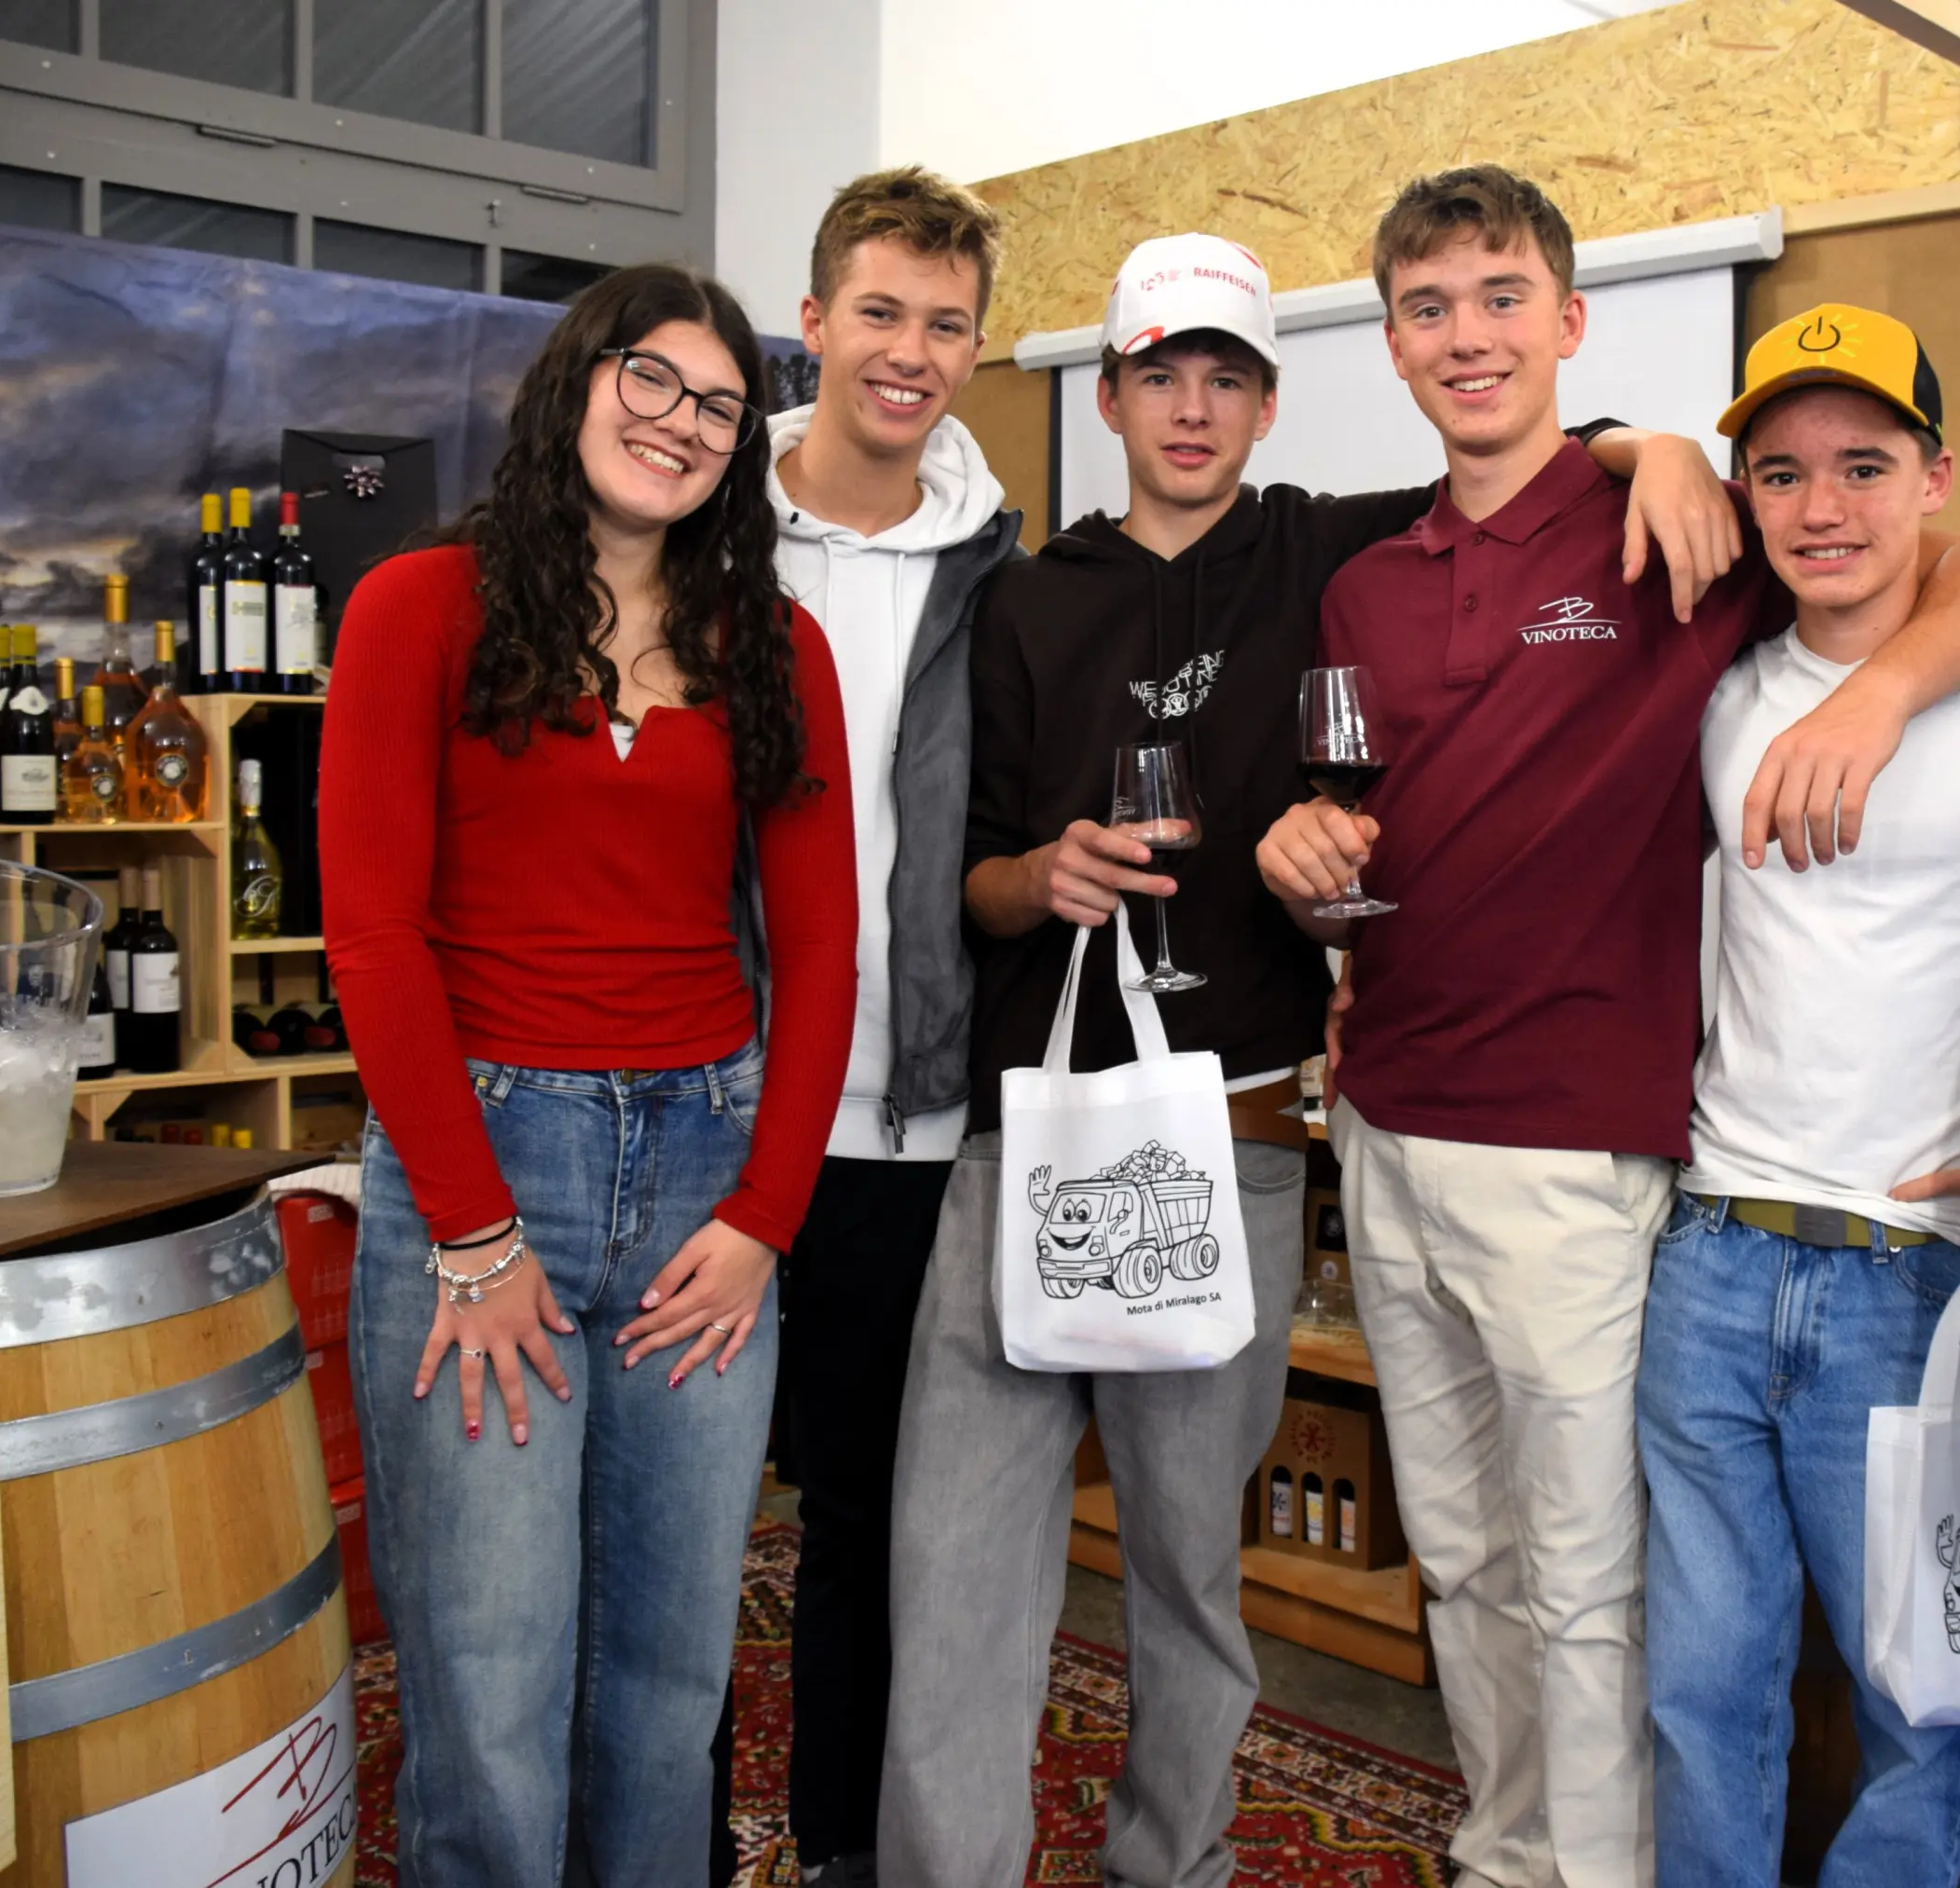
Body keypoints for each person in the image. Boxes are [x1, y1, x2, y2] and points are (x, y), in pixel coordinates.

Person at [876, 231, 1738, 1888]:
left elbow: (1536, 461)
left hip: (1247, 1129)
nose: (1191, 409)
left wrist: (1662, 442)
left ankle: (1173, 1866)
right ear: (1109, 392)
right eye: (1159, 376)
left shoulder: (1334, 551)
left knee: (1197, 1570)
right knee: (958, 1561)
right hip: (1030, 1136)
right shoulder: (1021, 598)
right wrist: (1038, 876)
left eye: (1228, 378)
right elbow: (970, 876)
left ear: (1271, 407)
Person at [1255, 166, 1960, 1888]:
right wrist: (1302, 851)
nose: (1466, 335)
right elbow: (1364, 816)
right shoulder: (1366, 581)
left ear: (1568, 321)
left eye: (1500, 297)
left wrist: (1840, 639)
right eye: (1427, 307)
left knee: (1591, 1583)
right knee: (1467, 1561)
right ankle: (1504, 1848)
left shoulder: (1679, 545)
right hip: (1387, 1122)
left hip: (1583, 1148)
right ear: (1389, 340)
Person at [326, 264, 857, 1883]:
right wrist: (476, 1238)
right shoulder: (419, 607)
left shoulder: (774, 645)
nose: (681, 425)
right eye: (651, 379)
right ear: (577, 380)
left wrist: (768, 1215)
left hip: (705, 1182)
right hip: (487, 1171)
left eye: (717, 404)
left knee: (670, 1681)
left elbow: (823, 958)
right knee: (489, 1685)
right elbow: (372, 937)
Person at [1636, 303, 1960, 1886]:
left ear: (1935, 473)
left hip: (1916, 1275)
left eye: (1863, 465)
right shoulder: (1718, 690)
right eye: (1780, 473)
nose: (1822, 508)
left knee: (1930, 1696)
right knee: (1702, 1689)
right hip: (1710, 1252)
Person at [761, 165, 1021, 1888]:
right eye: (880, 313)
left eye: (944, 325)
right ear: (814, 322)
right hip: (708, 1105)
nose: (909, 351)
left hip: (906, 1128)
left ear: (979, 348)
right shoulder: (707, 524)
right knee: (676, 1531)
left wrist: (1638, 442)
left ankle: (835, 1848)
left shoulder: (1004, 568)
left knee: (864, 1527)